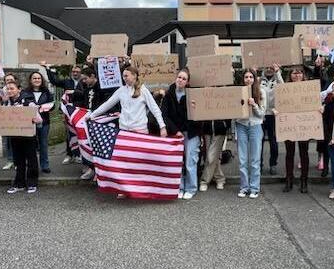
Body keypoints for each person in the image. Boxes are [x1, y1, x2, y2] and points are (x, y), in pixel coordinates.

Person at [88, 66, 167, 198]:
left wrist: (162, 126)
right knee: (125, 162)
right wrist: (92, 115)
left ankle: (141, 187)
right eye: (123, 76)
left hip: (140, 132)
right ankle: (124, 189)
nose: (124, 78)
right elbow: (107, 104)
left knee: (140, 162)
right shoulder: (121, 91)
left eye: (126, 75)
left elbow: (155, 109)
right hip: (124, 132)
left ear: (134, 75)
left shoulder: (143, 90)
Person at [162, 69, 201, 200]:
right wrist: (175, 130)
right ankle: (180, 187)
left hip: (190, 132)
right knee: (178, 162)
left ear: (187, 82)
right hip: (175, 133)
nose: (181, 80)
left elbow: (195, 117)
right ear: (175, 78)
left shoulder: (192, 95)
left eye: (184, 79)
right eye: (179, 77)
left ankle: (191, 188)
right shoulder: (168, 94)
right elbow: (165, 116)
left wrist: (195, 107)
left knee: (190, 161)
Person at [72, 67, 115, 180]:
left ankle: (100, 171)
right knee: (89, 145)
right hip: (89, 122)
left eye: (85, 79)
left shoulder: (103, 89)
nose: (84, 81)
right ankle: (91, 168)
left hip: (100, 122)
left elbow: (106, 105)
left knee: (99, 147)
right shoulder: (86, 89)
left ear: (92, 76)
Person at [277, 66, 312, 193]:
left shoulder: (309, 88)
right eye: (294, 73)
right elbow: (280, 104)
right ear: (290, 75)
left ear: (303, 75)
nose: (297, 75)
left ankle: (304, 181)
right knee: (289, 153)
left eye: (299, 73)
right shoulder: (285, 88)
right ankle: (289, 180)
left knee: (304, 153)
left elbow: (314, 103)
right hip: (289, 125)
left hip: (304, 124)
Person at [3, 81, 42, 194]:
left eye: (12, 88)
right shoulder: (6, 104)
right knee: (18, 161)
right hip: (15, 137)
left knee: (31, 160)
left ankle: (32, 183)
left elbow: (39, 120)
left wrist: (31, 117)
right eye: (8, 89)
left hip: (28, 136)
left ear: (19, 89)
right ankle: (19, 183)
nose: (9, 91)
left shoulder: (28, 103)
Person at [235, 69, 266, 199]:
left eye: (251, 77)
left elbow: (262, 114)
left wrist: (254, 105)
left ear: (255, 78)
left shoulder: (261, 91)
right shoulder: (238, 92)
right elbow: (233, 112)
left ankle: (254, 188)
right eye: (246, 77)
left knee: (255, 160)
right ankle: (244, 187)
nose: (248, 79)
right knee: (242, 159)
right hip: (241, 125)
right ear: (243, 79)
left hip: (255, 126)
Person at [45, 64, 82, 165]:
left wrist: (74, 92)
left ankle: (79, 155)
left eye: (77, 72)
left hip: (81, 111)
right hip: (68, 112)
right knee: (69, 133)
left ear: (81, 73)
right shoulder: (67, 81)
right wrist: (48, 69)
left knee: (80, 133)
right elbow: (54, 81)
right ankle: (69, 155)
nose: (75, 73)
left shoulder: (84, 82)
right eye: (73, 72)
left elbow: (85, 94)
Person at [24, 72, 55, 174]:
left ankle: (45, 165)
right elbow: (22, 104)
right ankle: (31, 164)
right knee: (30, 145)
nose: (37, 80)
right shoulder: (25, 92)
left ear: (41, 80)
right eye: (34, 78)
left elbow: (53, 105)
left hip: (44, 122)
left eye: (39, 78)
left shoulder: (47, 92)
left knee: (43, 144)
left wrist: (44, 107)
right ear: (30, 80)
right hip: (29, 122)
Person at [259, 63, 284, 175]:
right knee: (259, 141)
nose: (269, 69)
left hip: (273, 115)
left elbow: (284, 89)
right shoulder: (259, 80)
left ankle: (273, 163)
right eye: (267, 67)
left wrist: (278, 72)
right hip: (260, 115)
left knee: (273, 141)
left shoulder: (277, 80)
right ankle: (258, 164)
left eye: (271, 68)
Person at [199, 119, 229, 191]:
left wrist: (226, 124)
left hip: (220, 128)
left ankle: (204, 181)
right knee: (214, 156)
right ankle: (219, 178)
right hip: (206, 127)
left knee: (211, 157)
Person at [0, 73, 17, 170]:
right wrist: (3, 101)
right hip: (6, 123)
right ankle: (10, 160)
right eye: (7, 81)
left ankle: (18, 161)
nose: (9, 82)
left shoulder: (19, 94)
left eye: (11, 80)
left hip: (17, 124)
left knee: (17, 143)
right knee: (7, 142)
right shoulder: (2, 94)